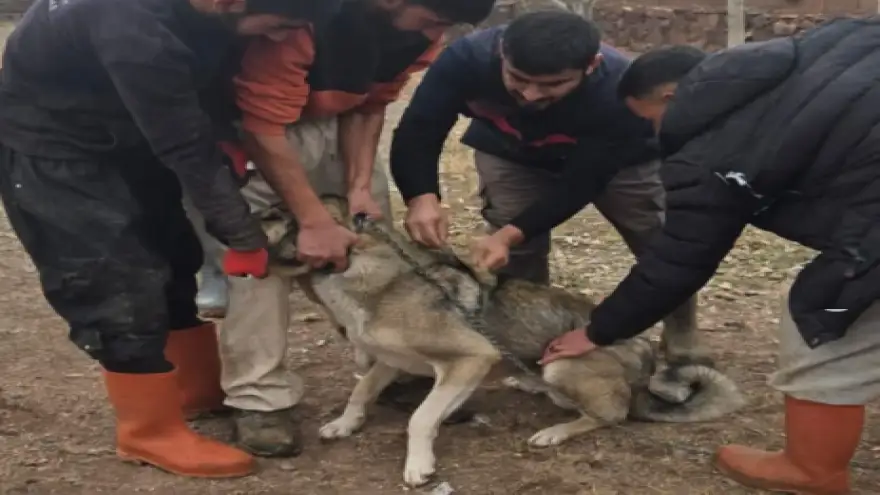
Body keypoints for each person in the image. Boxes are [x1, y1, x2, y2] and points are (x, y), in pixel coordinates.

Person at [0, 0, 341, 479]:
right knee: (115, 278)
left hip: (127, 130)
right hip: (55, 148)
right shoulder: (130, 25)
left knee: (173, 253)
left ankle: (194, 389)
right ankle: (148, 431)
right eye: (280, 25)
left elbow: (197, 92)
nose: (282, 38)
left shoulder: (204, 16)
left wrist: (224, 138)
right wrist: (244, 238)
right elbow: (184, 146)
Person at [541, 16, 880, 495]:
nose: (654, 135)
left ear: (670, 98)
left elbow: (678, 261)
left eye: (649, 121)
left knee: (823, 318)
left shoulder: (710, 149)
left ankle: (811, 470)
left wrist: (598, 331)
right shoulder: (832, 40)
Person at [219, 0, 497, 458]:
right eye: (430, 20)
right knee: (266, 260)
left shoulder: (420, 30)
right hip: (268, 132)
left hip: (340, 128)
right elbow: (263, 126)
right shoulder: (308, 19)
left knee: (376, 257)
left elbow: (371, 105)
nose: (434, 34)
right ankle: (261, 398)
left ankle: (400, 365)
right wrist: (311, 220)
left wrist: (360, 186)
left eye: (443, 27)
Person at [389, 10, 705, 364]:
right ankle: (530, 335)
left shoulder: (620, 88)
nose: (530, 94)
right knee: (516, 250)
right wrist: (420, 196)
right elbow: (420, 128)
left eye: (552, 85)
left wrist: (509, 233)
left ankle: (681, 334)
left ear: (591, 65)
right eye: (518, 79)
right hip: (511, 151)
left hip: (621, 163)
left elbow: (584, 181)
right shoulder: (465, 58)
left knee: (656, 240)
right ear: (501, 54)